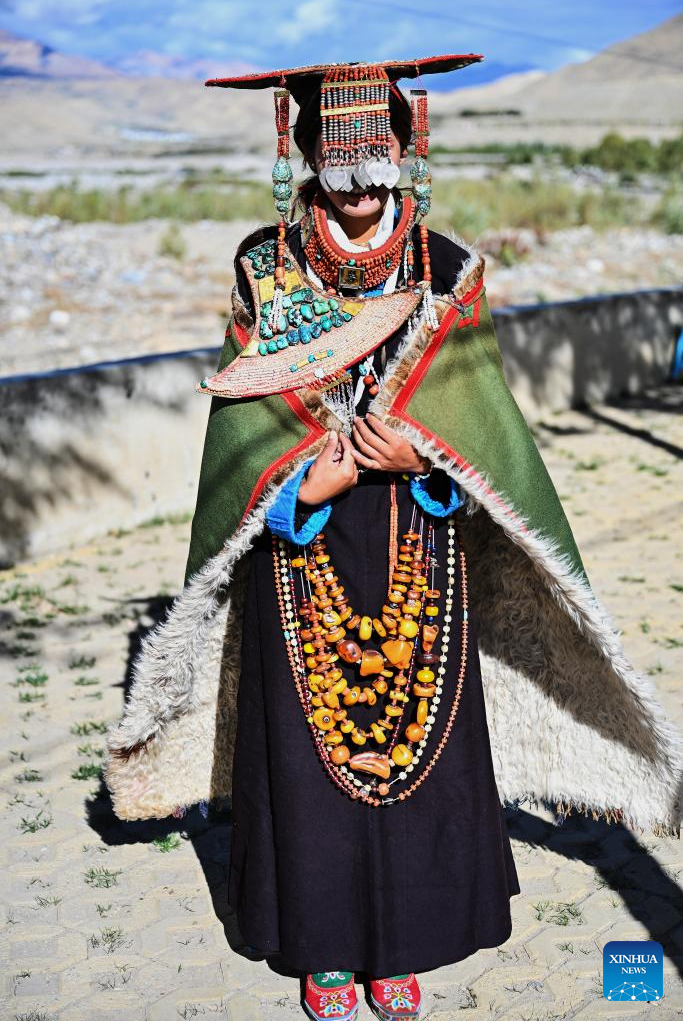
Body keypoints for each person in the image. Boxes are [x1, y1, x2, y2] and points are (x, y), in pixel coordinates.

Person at [103, 56, 682, 1021]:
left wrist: (427, 464)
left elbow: (481, 418)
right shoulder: (263, 265)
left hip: (421, 534)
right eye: (341, 148)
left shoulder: (449, 271)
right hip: (302, 543)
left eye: (379, 149)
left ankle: (401, 946)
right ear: (307, 149)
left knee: (420, 738)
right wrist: (304, 481)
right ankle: (324, 948)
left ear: (406, 151)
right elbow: (241, 424)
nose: (361, 173)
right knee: (307, 750)